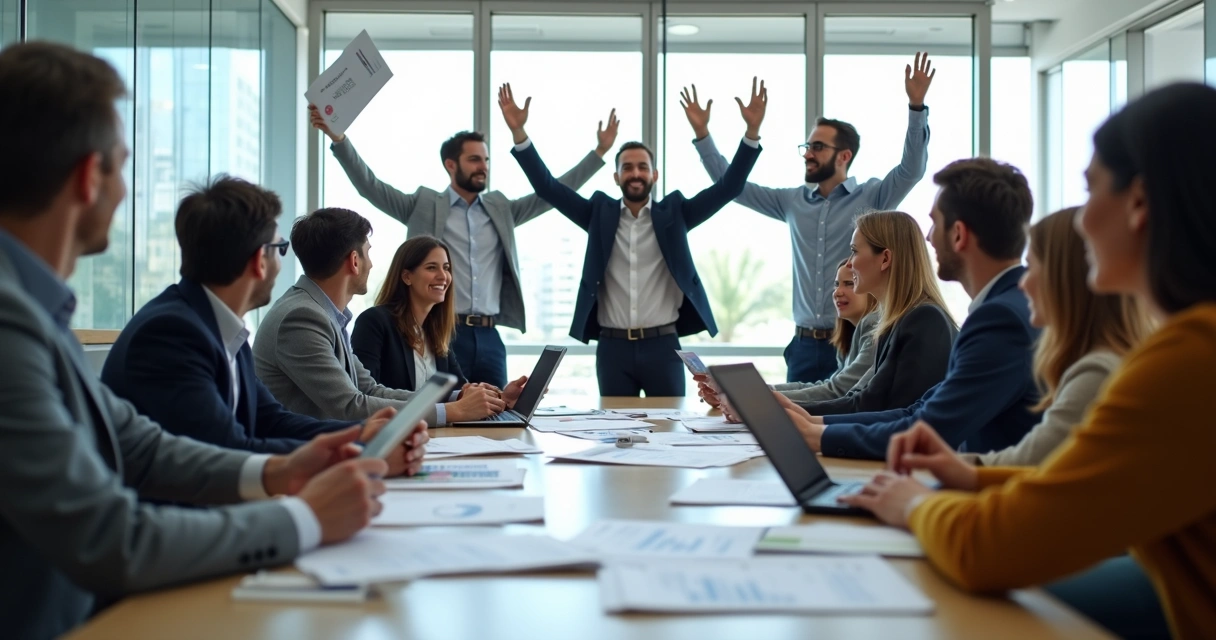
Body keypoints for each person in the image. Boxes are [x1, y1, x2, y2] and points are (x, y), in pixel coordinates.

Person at [0, 41, 394, 639]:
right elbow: (109, 537)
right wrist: (303, 518)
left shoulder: (34, 308)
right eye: (123, 164)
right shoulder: (14, 322)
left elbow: (143, 446)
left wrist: (283, 472)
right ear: (88, 176)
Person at [836, 82, 1216, 640]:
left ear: (1138, 205)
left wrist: (914, 504)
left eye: (1091, 193)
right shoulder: (1190, 349)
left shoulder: (1184, 365)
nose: (1080, 223)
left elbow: (989, 549)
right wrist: (968, 475)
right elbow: (1078, 486)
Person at [311, 102, 617, 389]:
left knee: (497, 414)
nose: (482, 166)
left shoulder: (501, 208)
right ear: (450, 164)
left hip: (489, 335)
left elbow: (553, 193)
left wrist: (599, 152)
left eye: (485, 160)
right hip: (441, 331)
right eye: (474, 160)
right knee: (445, 413)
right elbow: (371, 186)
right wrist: (339, 139)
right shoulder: (424, 204)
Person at [102, 177, 413, 455]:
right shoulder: (174, 332)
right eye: (279, 249)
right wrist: (353, 448)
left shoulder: (217, 326)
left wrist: (364, 436)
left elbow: (269, 419)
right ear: (258, 261)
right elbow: (228, 450)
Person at [501, 80, 764, 396]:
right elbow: (548, 188)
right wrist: (520, 134)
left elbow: (729, 188)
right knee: (614, 434)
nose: (635, 173)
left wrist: (750, 133)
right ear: (616, 177)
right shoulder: (599, 214)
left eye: (643, 167)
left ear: (654, 175)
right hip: (612, 350)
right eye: (627, 167)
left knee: (670, 433)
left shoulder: (676, 213)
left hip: (664, 346)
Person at [684, 53, 934, 384]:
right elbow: (732, 188)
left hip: (854, 337)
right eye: (807, 145)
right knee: (789, 426)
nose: (807, 153)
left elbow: (911, 170)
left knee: (844, 424)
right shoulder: (791, 201)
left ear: (844, 156)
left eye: (817, 146)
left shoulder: (873, 198)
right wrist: (705, 134)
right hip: (802, 345)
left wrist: (916, 108)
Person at [778, 157, 1039, 460]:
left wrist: (818, 434)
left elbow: (929, 428)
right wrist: (816, 426)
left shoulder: (1000, 319)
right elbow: (920, 410)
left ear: (958, 234)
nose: (928, 237)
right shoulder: (1006, 309)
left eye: (934, 223)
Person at [254, 208, 519, 424]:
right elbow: (349, 406)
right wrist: (453, 411)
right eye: (368, 253)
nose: (371, 263)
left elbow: (370, 389)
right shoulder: (302, 317)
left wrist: (458, 397)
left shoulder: (325, 314)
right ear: (354, 261)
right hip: (304, 463)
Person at [964, 207, 1152, 467]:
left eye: (1031, 267)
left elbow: (1027, 467)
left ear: (1063, 277)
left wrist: (929, 472)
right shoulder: (1109, 361)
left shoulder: (1096, 372)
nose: (1022, 284)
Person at [792, 210, 957, 416]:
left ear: (885, 258)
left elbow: (890, 413)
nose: (849, 263)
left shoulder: (924, 320)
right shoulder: (898, 322)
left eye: (854, 251)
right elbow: (865, 400)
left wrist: (785, 411)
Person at [352, 235, 527, 397]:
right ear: (406, 277)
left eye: (446, 268)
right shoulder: (374, 322)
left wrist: (503, 397)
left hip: (435, 430)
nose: (443, 276)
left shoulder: (436, 331)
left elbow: (461, 392)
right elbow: (366, 395)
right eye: (431, 268)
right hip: (393, 429)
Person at [698, 260, 878, 406]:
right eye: (837, 284)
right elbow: (825, 386)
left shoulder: (874, 332)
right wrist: (741, 392)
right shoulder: (850, 335)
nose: (838, 292)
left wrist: (748, 397)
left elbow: (836, 391)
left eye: (849, 284)